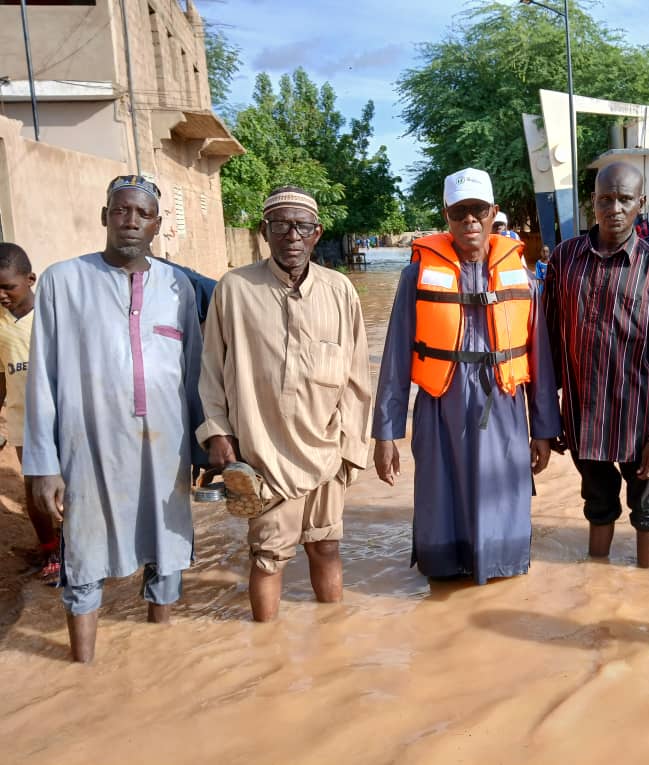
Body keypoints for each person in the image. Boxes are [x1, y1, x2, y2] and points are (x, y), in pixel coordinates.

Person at [23, 175, 203, 662]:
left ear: (157, 225)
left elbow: (193, 375)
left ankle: (157, 662)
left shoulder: (176, 286)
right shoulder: (64, 280)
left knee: (166, 552)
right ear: (105, 216)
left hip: (164, 451)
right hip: (89, 448)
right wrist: (43, 464)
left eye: (143, 214)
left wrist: (203, 448)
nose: (131, 221)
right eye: (121, 211)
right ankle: (82, 669)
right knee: (83, 553)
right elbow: (43, 377)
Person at [373, 167, 560, 584]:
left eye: (478, 210)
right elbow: (396, 358)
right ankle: (444, 581)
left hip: (505, 410)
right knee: (442, 509)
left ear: (494, 212)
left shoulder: (523, 279)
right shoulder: (414, 278)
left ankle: (497, 590)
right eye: (460, 212)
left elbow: (540, 359)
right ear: (447, 216)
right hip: (442, 407)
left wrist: (544, 429)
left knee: (502, 509)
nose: (470, 220)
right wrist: (385, 434)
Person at [197, 185, 372, 622]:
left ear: (317, 233)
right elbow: (211, 370)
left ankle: (333, 648)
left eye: (302, 226)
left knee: (326, 546)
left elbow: (356, 378)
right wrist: (217, 432)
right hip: (264, 451)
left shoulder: (340, 290)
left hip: (327, 448)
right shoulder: (234, 289)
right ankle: (265, 649)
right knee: (267, 556)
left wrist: (352, 448)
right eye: (281, 225)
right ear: (264, 231)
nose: (292, 235)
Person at [544, 162, 649, 568]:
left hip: (638, 421)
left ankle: (648, 589)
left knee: (648, 509)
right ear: (593, 202)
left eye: (625, 199)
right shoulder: (564, 261)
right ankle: (597, 579)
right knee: (597, 502)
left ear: (640, 203)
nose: (615, 208)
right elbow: (550, 342)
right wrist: (547, 417)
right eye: (606, 199)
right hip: (583, 418)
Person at [0, 243, 60, 584]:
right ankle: (49, 547)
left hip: (59, 419)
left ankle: (74, 549)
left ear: (30, 279)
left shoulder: (52, 316)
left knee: (68, 486)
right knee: (34, 486)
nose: (3, 295)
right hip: (23, 419)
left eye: (9, 286)